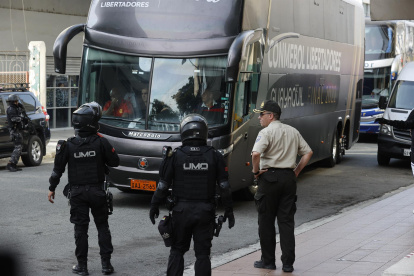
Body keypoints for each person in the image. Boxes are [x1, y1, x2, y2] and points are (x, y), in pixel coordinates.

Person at [149, 114, 235, 276]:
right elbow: (224, 186)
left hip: (181, 211)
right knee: (202, 254)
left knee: (177, 250)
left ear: (184, 132)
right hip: (205, 212)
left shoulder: (175, 155)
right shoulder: (214, 155)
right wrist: (229, 210)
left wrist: (154, 205)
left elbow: (162, 185)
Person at [47, 102, 120, 276]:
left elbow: (57, 170)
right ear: (92, 123)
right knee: (102, 226)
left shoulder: (68, 145)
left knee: (81, 230)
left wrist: (52, 188)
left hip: (77, 194)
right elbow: (114, 161)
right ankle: (106, 265)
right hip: (97, 192)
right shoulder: (101, 142)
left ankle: (82, 266)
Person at [251, 100, 313, 273]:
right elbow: (308, 152)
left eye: (261, 114)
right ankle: (288, 264)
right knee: (286, 222)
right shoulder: (292, 131)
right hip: (288, 178)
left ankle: (268, 261)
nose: (259, 117)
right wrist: (297, 171)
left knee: (266, 221)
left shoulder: (266, 132)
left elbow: (256, 153)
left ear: (271, 116)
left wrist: (255, 172)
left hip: (269, 178)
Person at [6, 94, 29, 172]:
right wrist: (22, 118)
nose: (17, 102)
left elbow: (22, 114)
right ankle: (10, 164)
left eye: (17, 101)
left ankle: (14, 164)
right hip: (14, 130)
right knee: (18, 147)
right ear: (12, 102)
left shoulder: (17, 108)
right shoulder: (11, 109)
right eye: (15, 101)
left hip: (18, 130)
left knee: (19, 147)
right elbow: (14, 119)